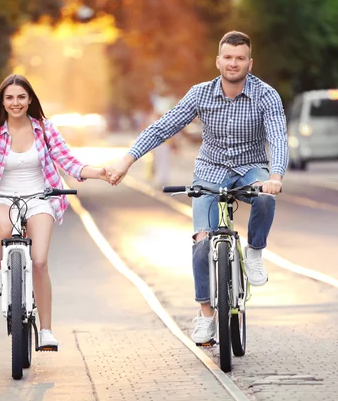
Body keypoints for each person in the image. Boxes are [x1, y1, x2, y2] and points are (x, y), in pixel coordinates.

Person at [106, 31, 288, 344]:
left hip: (250, 168)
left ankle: (255, 253)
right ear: (218, 61)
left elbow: (278, 136)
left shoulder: (266, 95)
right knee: (202, 242)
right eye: (228, 57)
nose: (233, 63)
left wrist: (276, 176)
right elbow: (165, 126)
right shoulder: (201, 94)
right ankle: (205, 315)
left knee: (265, 200)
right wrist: (127, 160)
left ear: (250, 63)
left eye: (240, 58)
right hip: (210, 171)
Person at [0, 73, 109, 349]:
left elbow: (69, 161)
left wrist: (99, 172)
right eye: (10, 98)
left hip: (39, 197)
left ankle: (47, 331)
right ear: (2, 102)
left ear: (30, 100)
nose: (15, 103)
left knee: (39, 261)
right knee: (6, 229)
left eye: (21, 97)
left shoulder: (44, 128)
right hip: (1, 196)